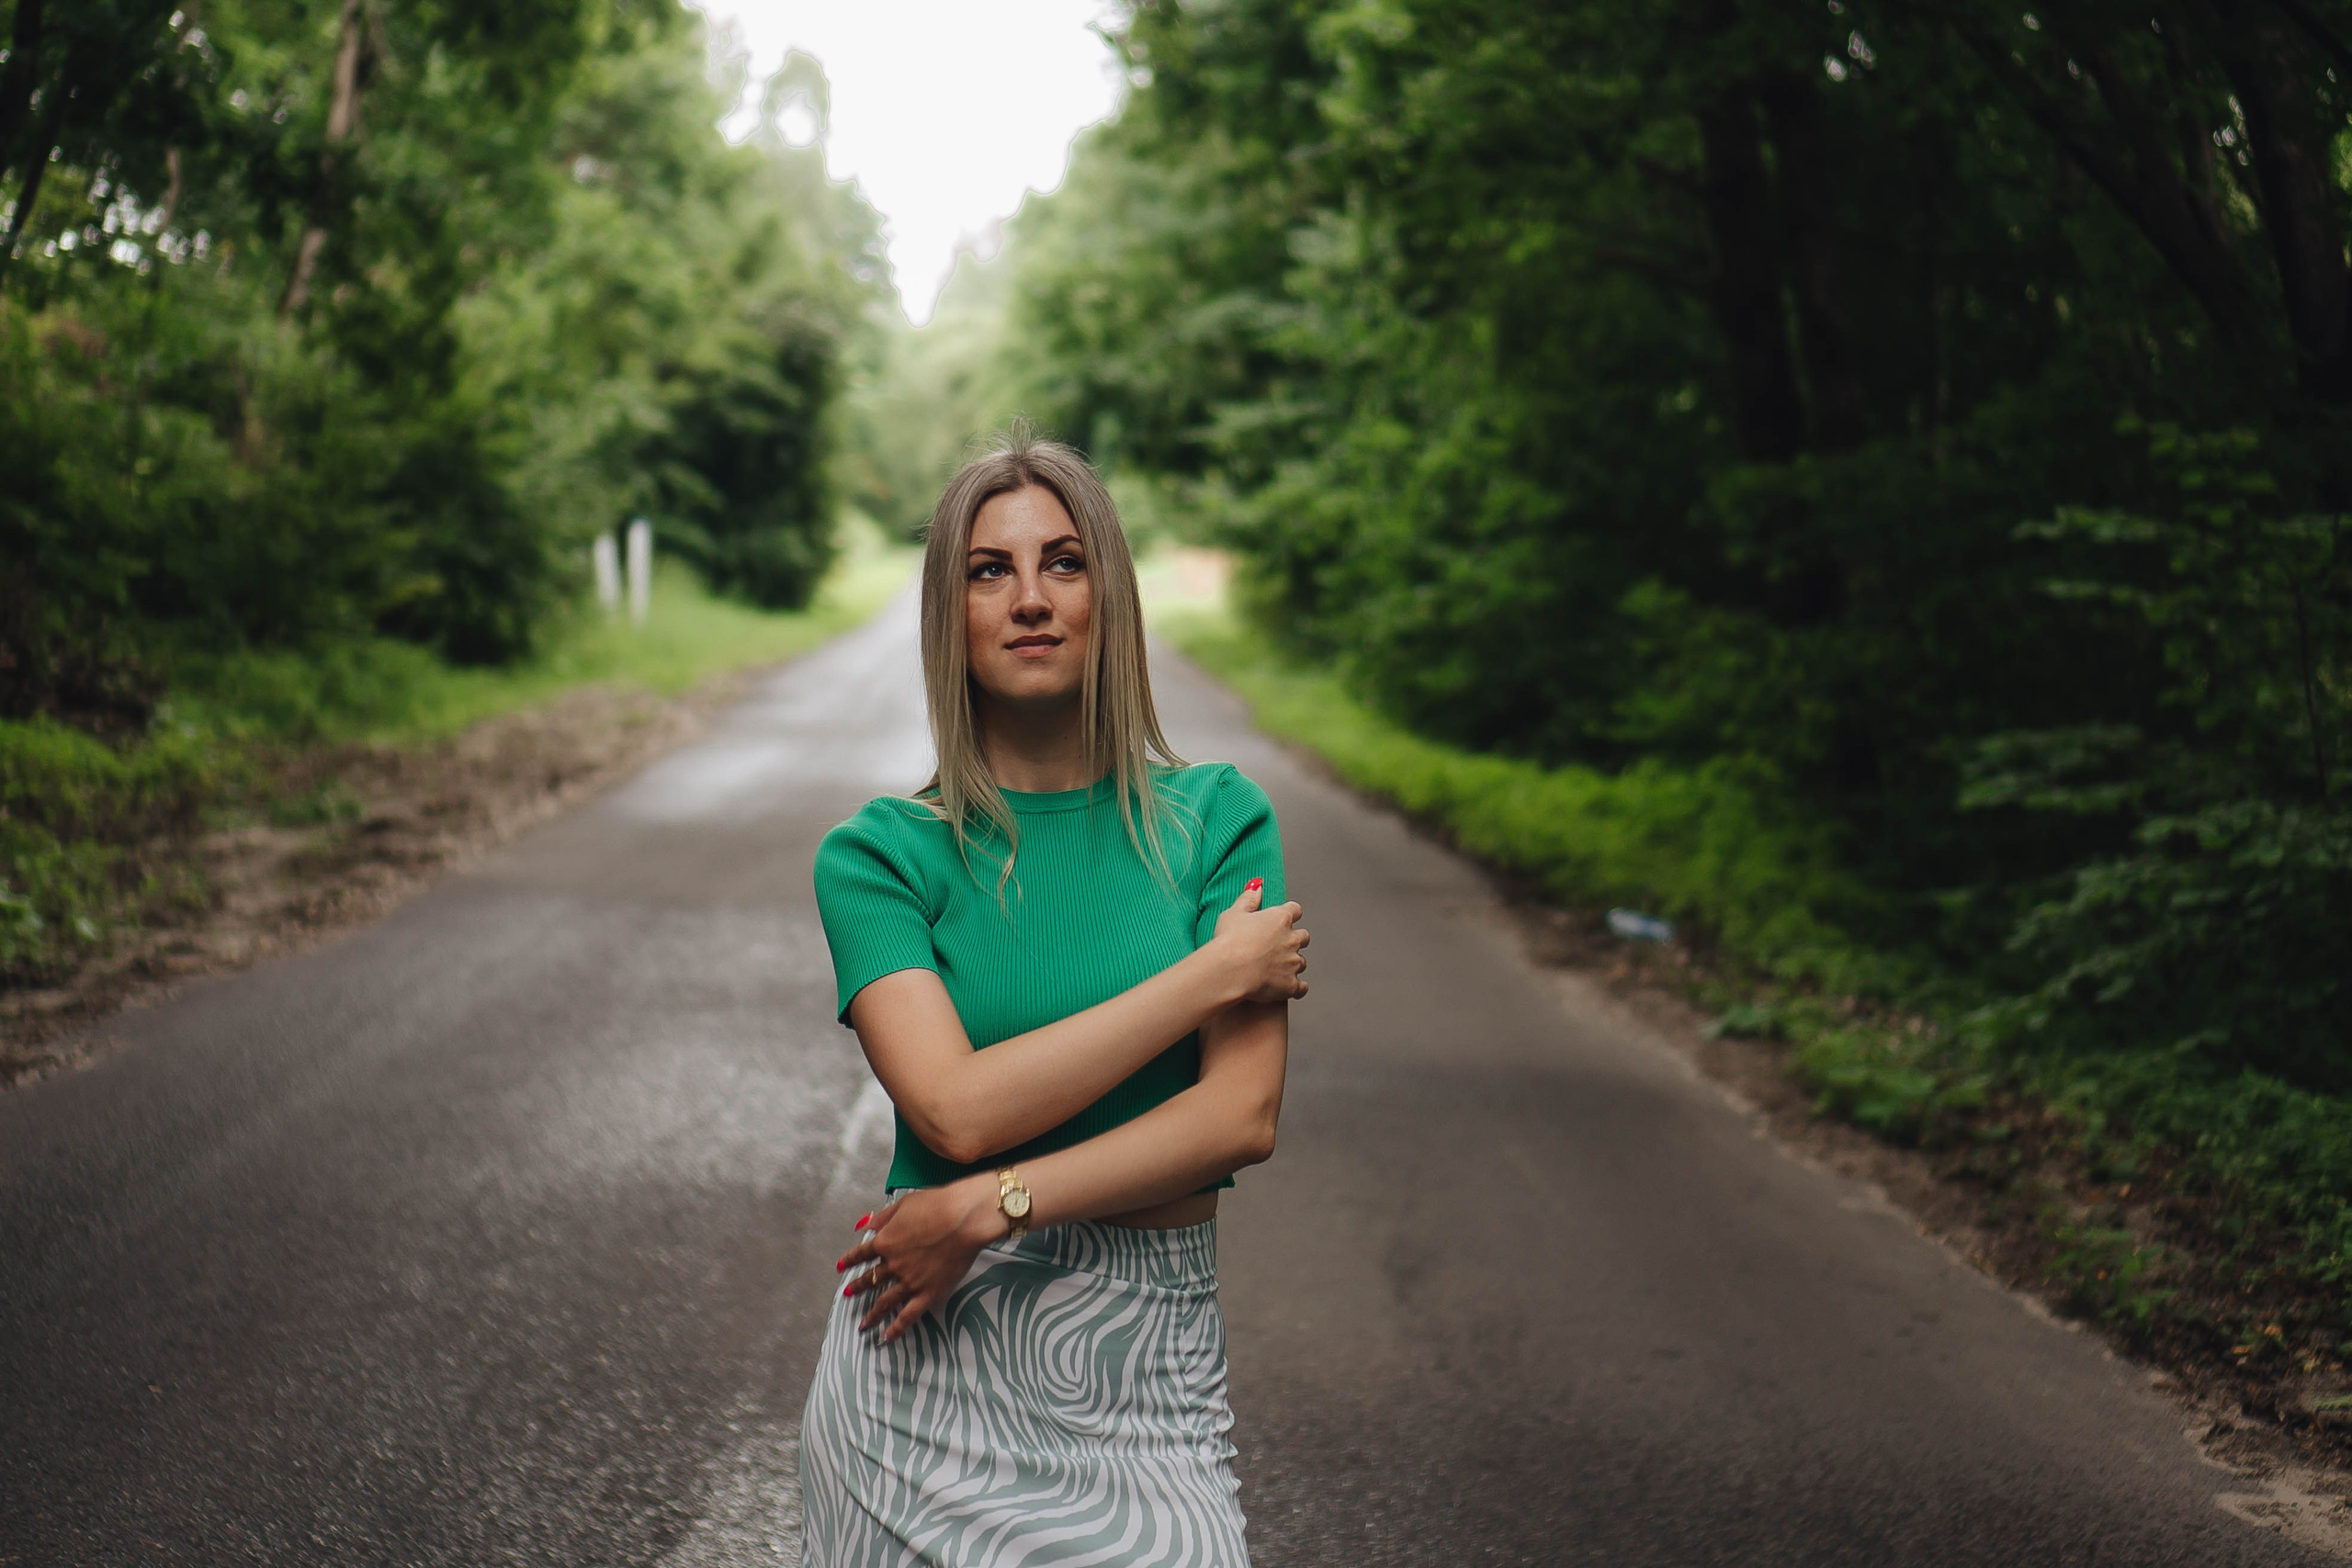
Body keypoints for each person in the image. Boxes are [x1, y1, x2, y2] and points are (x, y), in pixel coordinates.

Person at [797, 427, 1308, 1566]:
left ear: (1107, 597)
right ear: (953, 615)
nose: (1030, 597)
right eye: (990, 570)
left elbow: (1239, 1119)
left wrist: (990, 1208)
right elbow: (957, 1115)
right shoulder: (879, 857)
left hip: (1144, 1374)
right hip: (917, 1391)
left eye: (1064, 562)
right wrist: (1208, 975)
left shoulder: (1219, 820)